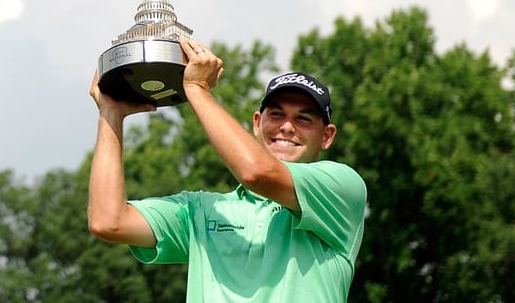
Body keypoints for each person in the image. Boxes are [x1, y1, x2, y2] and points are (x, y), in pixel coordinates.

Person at [88, 38, 367, 302]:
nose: (287, 126)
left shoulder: (342, 188)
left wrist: (196, 89)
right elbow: (108, 221)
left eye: (304, 118)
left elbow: (257, 173)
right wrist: (111, 114)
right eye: (277, 114)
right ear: (257, 123)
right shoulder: (200, 211)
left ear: (327, 136)